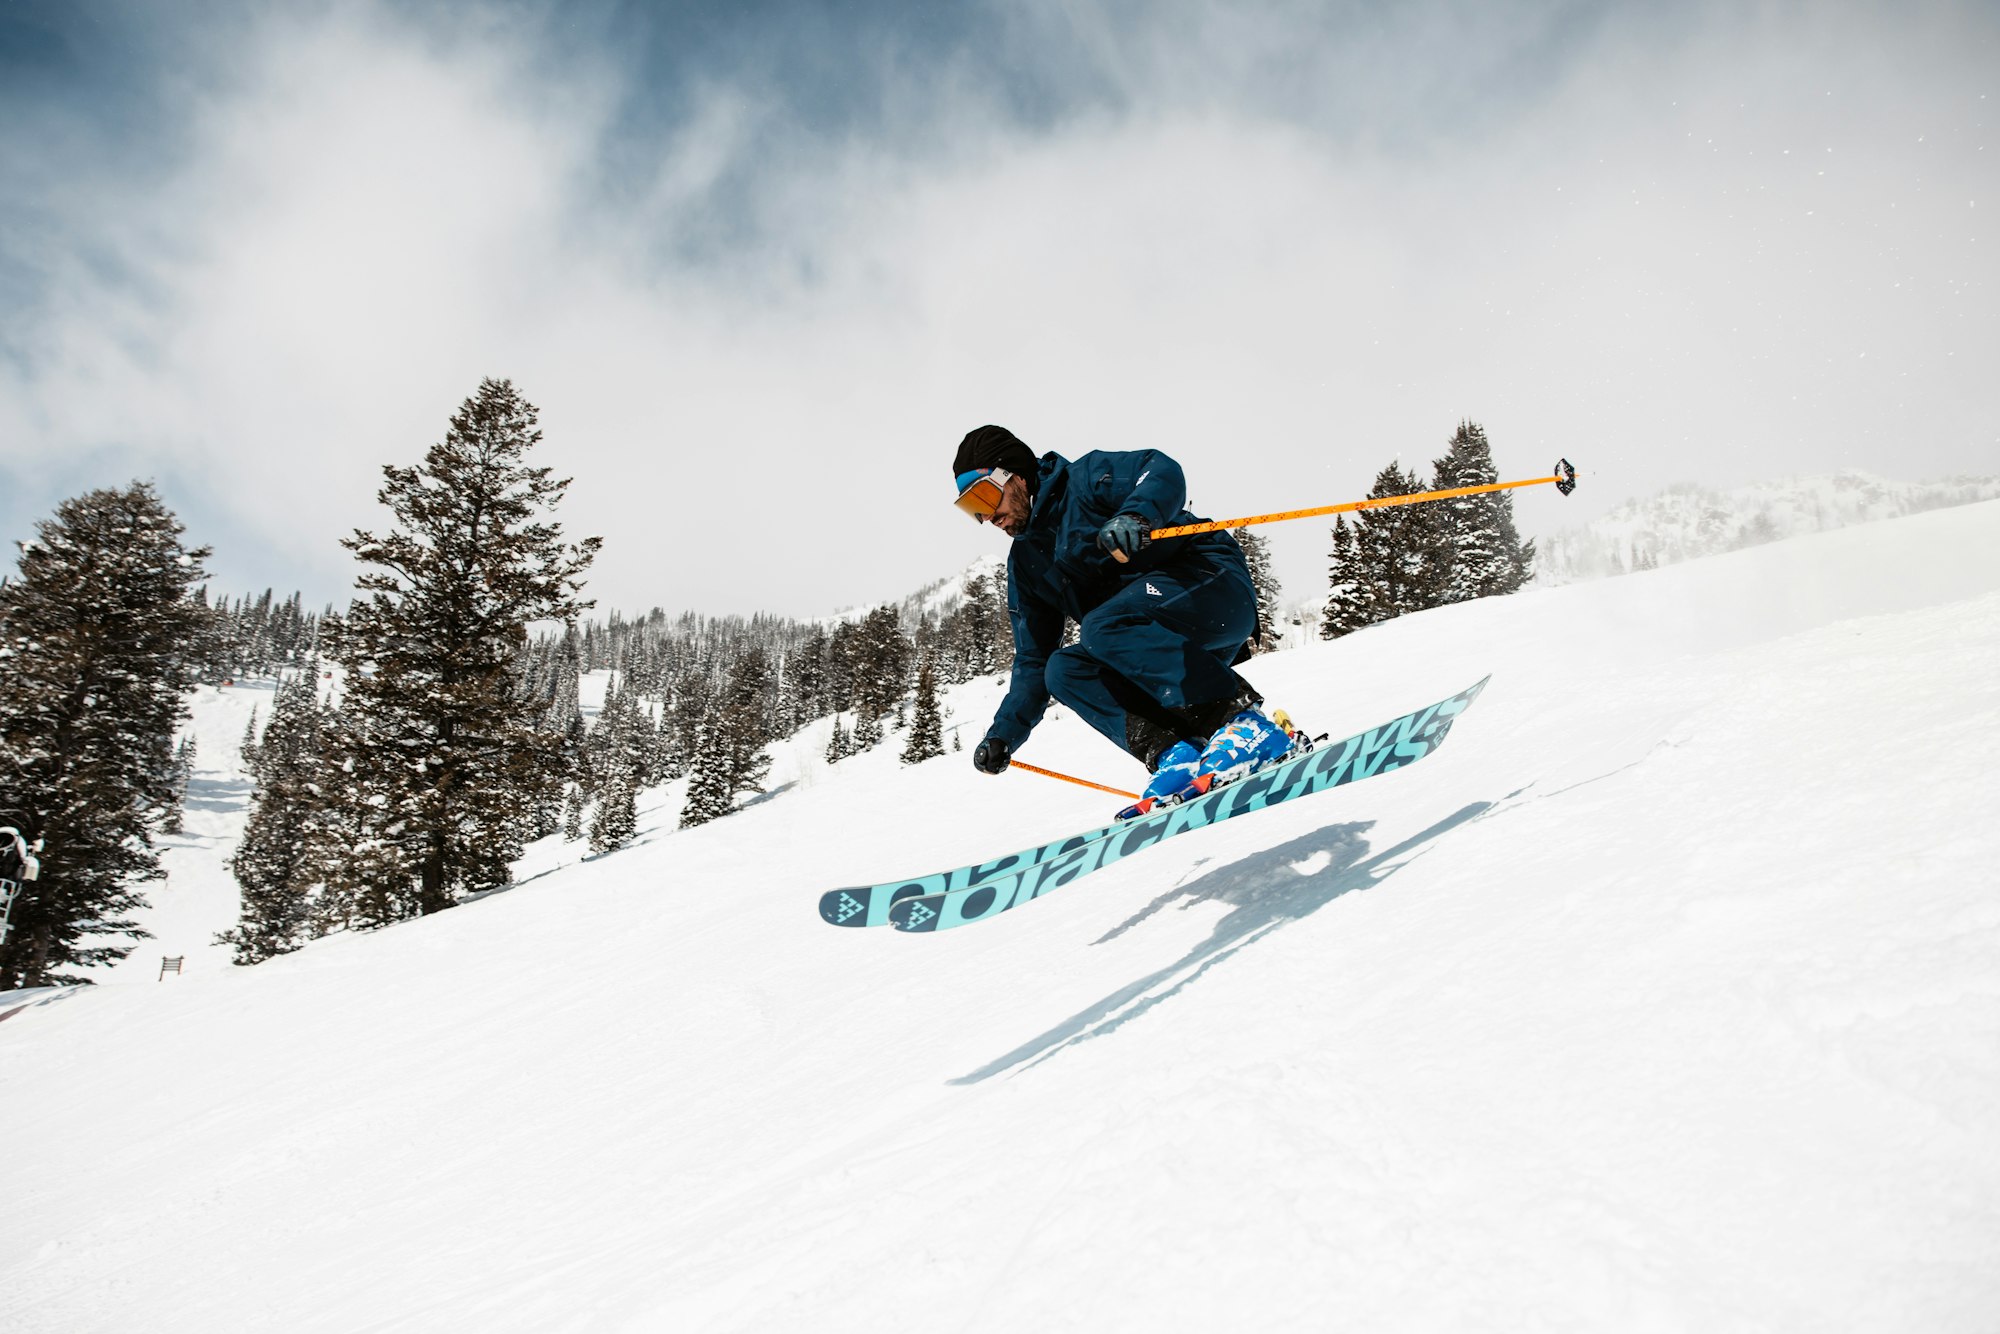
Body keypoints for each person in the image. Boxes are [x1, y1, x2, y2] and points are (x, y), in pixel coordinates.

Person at [951, 424, 1293, 819]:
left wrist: (1137, 514)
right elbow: (1034, 660)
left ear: (1017, 476)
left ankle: (1243, 723)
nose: (986, 516)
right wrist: (1004, 733)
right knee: (1062, 669)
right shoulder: (1027, 566)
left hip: (1209, 585)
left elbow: (1160, 469)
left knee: (1102, 625)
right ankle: (1176, 753)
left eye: (984, 497)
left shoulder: (1084, 481)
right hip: (1152, 638)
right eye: (971, 509)